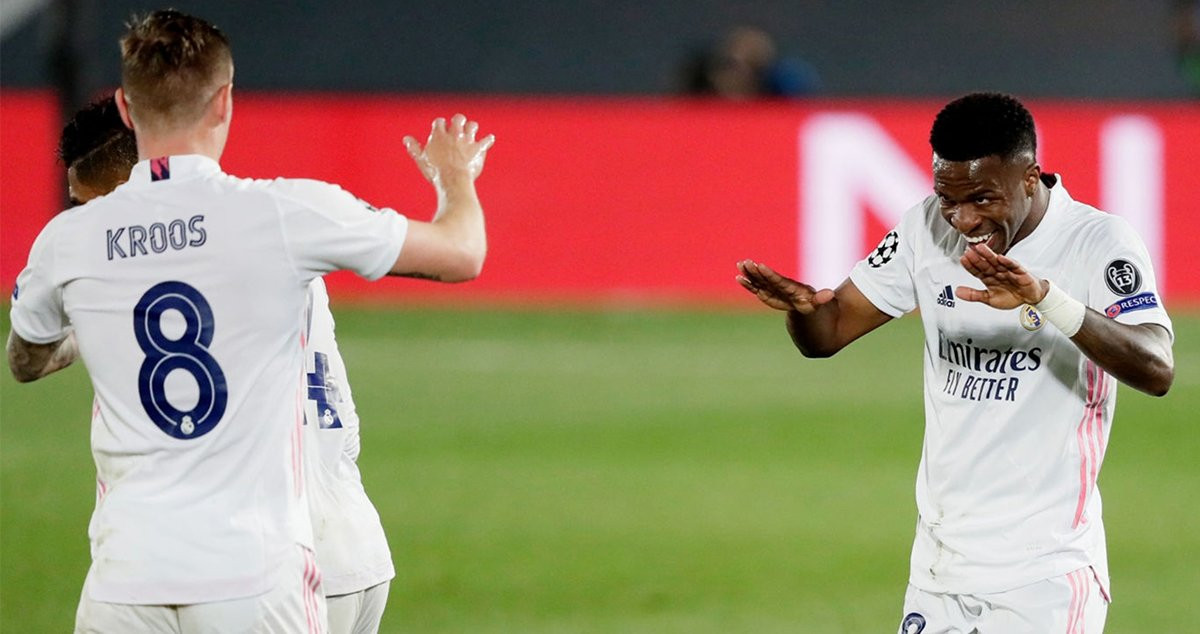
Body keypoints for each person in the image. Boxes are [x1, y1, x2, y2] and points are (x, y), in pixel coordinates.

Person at [8, 10, 493, 633]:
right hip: (254, 574)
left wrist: (91, 332)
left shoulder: (69, 239)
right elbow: (463, 253)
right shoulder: (283, 212)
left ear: (126, 108)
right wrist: (456, 177)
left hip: (126, 577)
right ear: (225, 101)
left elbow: (25, 358)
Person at [736, 92, 1173, 633]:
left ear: (1030, 176)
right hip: (939, 569)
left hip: (1043, 574)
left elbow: (1157, 368)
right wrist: (804, 310)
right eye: (949, 198)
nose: (963, 219)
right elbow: (828, 333)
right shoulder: (925, 228)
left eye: (984, 199)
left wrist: (1046, 298)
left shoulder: (1096, 241)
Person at [53, 95, 397, 633]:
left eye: (84, 203)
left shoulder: (166, 272)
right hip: (353, 541)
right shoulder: (262, 231)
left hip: (270, 566)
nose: (81, 219)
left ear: (127, 186)